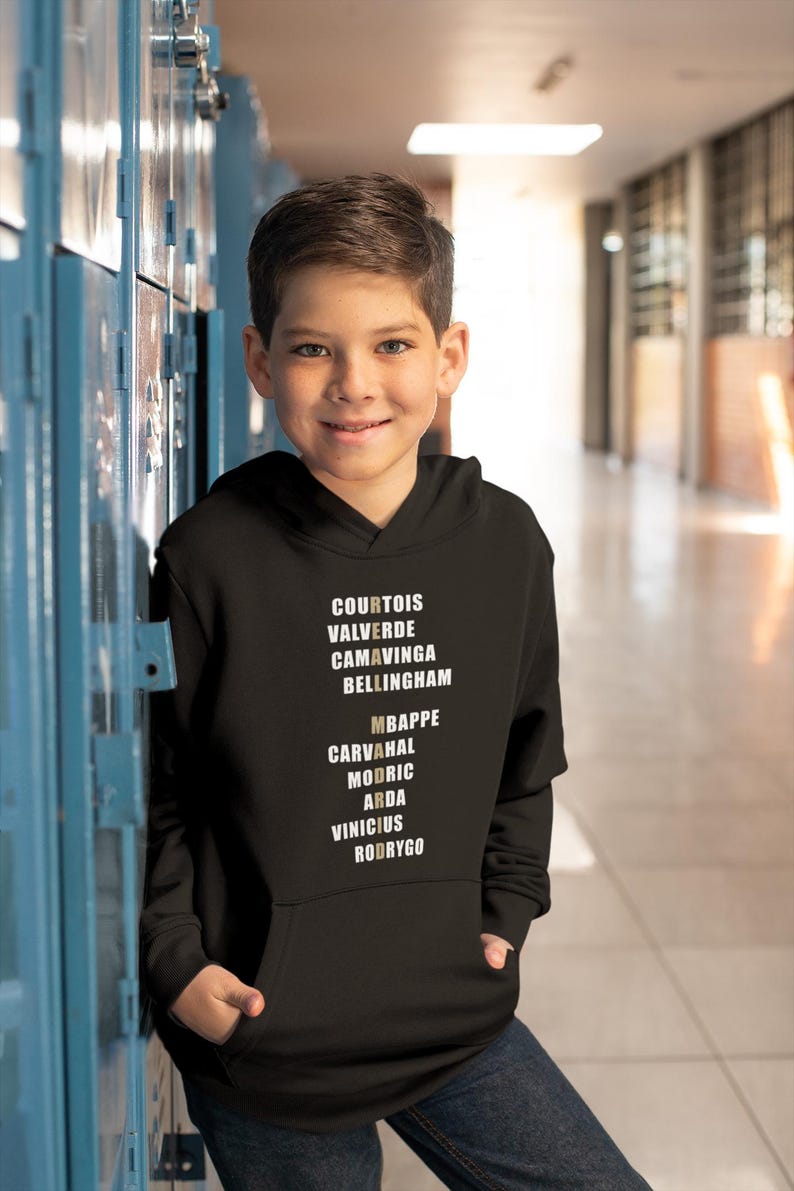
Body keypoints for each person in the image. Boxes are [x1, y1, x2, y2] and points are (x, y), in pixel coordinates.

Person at [141, 173, 651, 1190]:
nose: (354, 384)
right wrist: (176, 966)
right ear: (258, 360)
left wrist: (505, 909)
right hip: (265, 1035)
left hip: (447, 1013)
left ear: (448, 356)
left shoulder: (503, 541)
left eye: (392, 344)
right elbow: (162, 785)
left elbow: (525, 749)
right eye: (311, 348)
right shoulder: (209, 555)